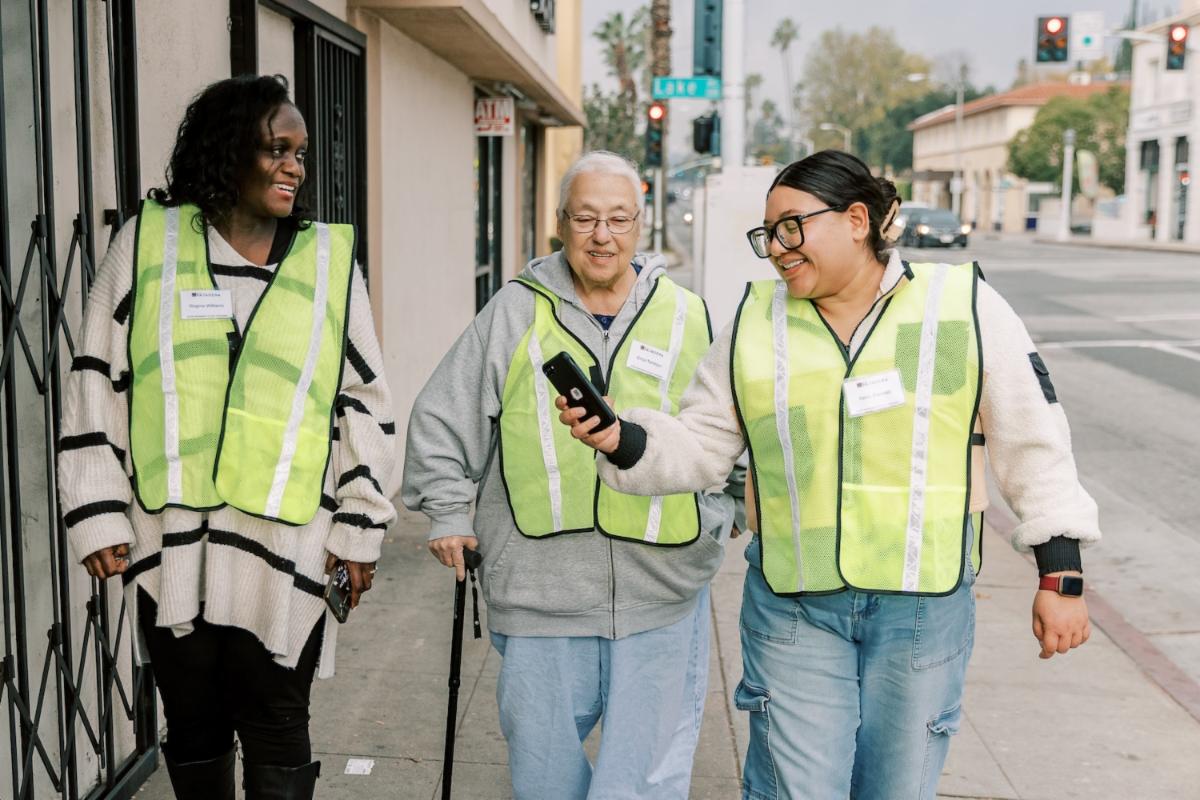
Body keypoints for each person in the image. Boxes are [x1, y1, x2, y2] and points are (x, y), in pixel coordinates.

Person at [561, 150, 1101, 800]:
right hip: (795, 608)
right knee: (794, 790)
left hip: (921, 608)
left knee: (895, 789)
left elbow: (1032, 439)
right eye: (768, 235)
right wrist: (623, 440)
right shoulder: (758, 321)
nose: (777, 250)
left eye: (791, 227)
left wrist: (1060, 572)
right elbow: (702, 443)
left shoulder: (956, 308)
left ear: (856, 219)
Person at [57, 74, 396, 800]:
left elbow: (362, 402)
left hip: (288, 544)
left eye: (300, 153)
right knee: (194, 723)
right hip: (170, 539)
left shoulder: (331, 263)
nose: (294, 167)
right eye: (277, 148)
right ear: (226, 149)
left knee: (279, 721)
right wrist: (95, 509)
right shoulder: (146, 246)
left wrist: (360, 528)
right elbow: (95, 377)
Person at [402, 150, 737, 799]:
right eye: (585, 218)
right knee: (543, 775)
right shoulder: (515, 311)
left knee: (641, 782)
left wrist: (723, 520)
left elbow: (731, 432)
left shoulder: (689, 315)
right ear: (559, 223)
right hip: (540, 596)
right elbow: (443, 416)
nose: (602, 235)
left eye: (617, 219)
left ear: (641, 224)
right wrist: (447, 511)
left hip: (663, 593)